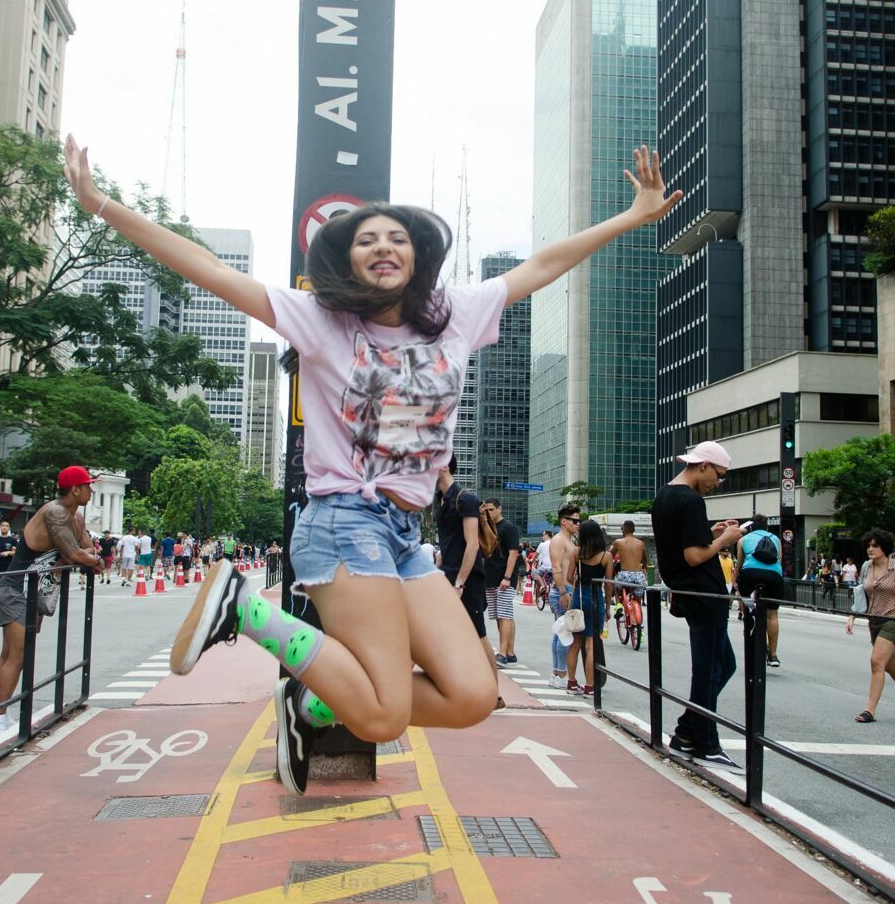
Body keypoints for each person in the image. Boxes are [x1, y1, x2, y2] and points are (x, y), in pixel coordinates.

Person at [64, 133, 680, 794]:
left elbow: (543, 264)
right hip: (343, 522)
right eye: (365, 240)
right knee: (384, 716)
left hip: (403, 536)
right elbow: (209, 271)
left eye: (396, 238)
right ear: (347, 263)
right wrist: (102, 206)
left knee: (475, 693)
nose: (383, 246)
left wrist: (633, 214)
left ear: (416, 256)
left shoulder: (458, 316)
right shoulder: (318, 320)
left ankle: (318, 700)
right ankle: (242, 608)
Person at [651, 440, 747, 767]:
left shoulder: (666, 494)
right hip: (704, 593)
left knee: (723, 664)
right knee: (708, 670)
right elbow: (693, 556)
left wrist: (709, 530)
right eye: (718, 476)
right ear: (703, 465)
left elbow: (680, 540)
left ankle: (686, 732)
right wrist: (724, 540)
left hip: (689, 592)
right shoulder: (691, 500)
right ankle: (705, 742)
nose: (718, 484)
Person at [0, 467, 103, 728]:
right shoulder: (55, 512)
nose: (91, 490)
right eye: (87, 485)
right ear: (75, 489)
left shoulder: (76, 519)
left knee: (18, 654)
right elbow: (81, 555)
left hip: (35, 592)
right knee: (13, 655)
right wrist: (86, 558)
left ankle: (0, 716)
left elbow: (85, 549)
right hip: (18, 588)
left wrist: (80, 555)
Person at [845, 528, 895, 723]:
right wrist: (853, 616)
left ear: (884, 547)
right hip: (874, 620)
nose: (871, 549)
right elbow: (861, 593)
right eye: (868, 545)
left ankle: (870, 710)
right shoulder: (866, 567)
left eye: (875, 545)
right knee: (890, 666)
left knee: (877, 661)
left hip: (893, 620)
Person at [435, 457, 493, 667]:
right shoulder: (440, 499)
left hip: (468, 579)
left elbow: (473, 545)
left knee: (478, 633)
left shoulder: (465, 499)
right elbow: (448, 543)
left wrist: (460, 583)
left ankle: (494, 695)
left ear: (443, 466)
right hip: (448, 574)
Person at [569, 518, 614, 696]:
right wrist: (608, 608)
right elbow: (608, 585)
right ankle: (589, 686)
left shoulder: (576, 552)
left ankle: (571, 683)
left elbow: (568, 576)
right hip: (596, 598)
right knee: (591, 644)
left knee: (575, 643)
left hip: (579, 599)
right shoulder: (606, 556)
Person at [735, 514, 785, 669]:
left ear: (751, 527)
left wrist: (737, 583)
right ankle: (773, 654)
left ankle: (748, 615)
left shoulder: (743, 540)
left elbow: (740, 563)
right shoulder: (776, 539)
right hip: (774, 577)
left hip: (750, 575)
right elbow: (780, 561)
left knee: (744, 596)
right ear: (766, 527)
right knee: (772, 615)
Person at [481, 498, 521, 665]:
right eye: (486, 510)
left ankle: (503, 653)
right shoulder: (487, 527)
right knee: (501, 616)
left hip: (504, 577)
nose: (489, 513)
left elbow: (513, 553)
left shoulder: (508, 527)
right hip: (490, 576)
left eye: (491, 509)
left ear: (499, 509)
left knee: (504, 614)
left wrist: (507, 577)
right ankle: (510, 652)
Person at [549, 504, 582, 690]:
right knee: (564, 634)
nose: (578, 524)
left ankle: (557, 673)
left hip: (566, 590)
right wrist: (563, 591)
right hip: (563, 591)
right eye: (574, 520)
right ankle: (561, 674)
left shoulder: (569, 540)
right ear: (564, 521)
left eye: (579, 520)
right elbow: (556, 567)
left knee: (559, 633)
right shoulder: (559, 540)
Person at [610, 520, 649, 625]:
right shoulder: (641, 543)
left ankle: (618, 606)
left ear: (623, 529)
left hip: (624, 575)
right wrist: (643, 568)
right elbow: (645, 561)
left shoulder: (618, 542)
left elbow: (610, 556)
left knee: (616, 588)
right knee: (638, 601)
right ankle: (639, 626)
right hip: (639, 576)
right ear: (634, 530)